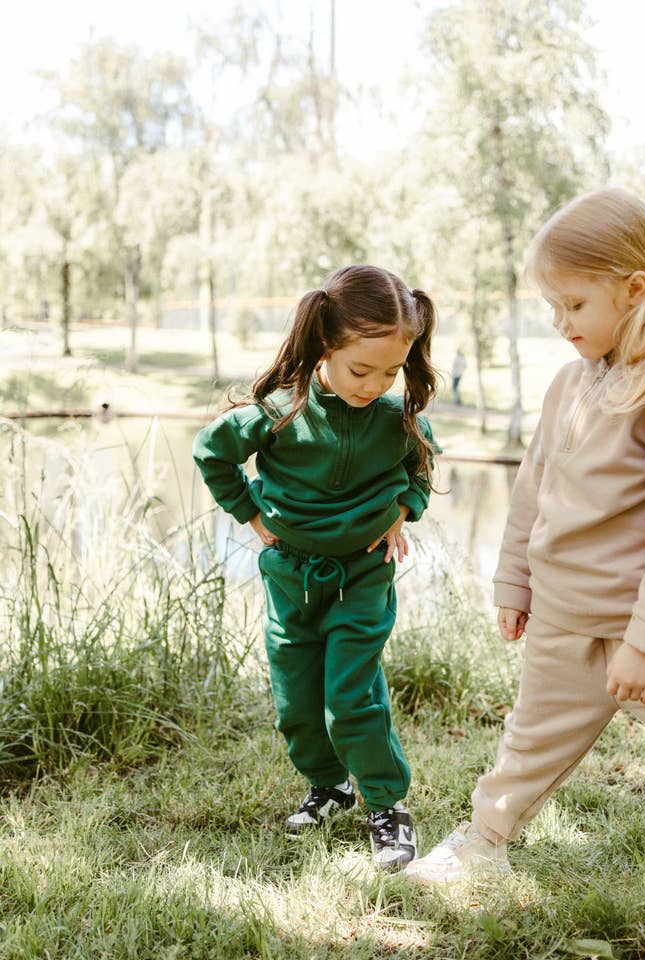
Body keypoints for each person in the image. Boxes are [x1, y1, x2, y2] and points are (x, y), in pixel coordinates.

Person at [405, 188, 645, 882]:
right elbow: (532, 492)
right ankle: (482, 845)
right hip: (562, 619)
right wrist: (514, 580)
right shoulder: (568, 387)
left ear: (634, 289)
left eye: (574, 305)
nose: (559, 322)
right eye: (553, 307)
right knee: (526, 750)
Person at [193, 264, 440, 870]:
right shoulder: (278, 409)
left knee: (350, 696)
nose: (374, 384)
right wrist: (249, 512)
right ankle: (330, 786)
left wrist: (405, 508)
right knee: (297, 702)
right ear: (325, 345)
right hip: (290, 575)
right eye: (361, 369)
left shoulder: (396, 417)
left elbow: (423, 465)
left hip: (364, 574)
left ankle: (388, 804)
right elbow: (212, 452)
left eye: (390, 371)